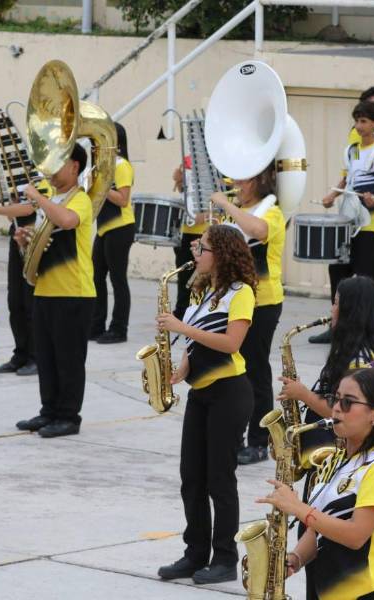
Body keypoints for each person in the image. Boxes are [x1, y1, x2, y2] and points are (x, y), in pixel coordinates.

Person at [278, 275, 374, 600]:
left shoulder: (361, 359)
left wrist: (302, 394)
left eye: (337, 302)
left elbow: (338, 410)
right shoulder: (351, 350)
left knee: (326, 534)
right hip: (333, 460)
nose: (332, 309)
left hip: (337, 459)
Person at [155, 225, 256, 585]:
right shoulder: (203, 292)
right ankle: (195, 552)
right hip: (202, 392)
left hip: (230, 392)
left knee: (220, 479)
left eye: (203, 247)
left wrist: (181, 325)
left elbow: (231, 343)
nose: (196, 253)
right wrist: (181, 369)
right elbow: (195, 345)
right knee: (191, 477)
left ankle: (225, 558)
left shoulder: (240, 293)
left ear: (223, 254)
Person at [258, 368, 374, 600]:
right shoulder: (334, 459)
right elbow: (319, 525)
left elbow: (355, 535)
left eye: (348, 402)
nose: (337, 408)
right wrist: (295, 558)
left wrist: (299, 508)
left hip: (369, 593)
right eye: (336, 399)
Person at [14, 143, 95, 438]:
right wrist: (25, 241)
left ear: (75, 166)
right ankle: (49, 411)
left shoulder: (80, 199)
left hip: (74, 292)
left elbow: (67, 221)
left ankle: (68, 417)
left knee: (69, 359)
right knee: (47, 358)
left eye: (57, 164)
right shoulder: (51, 200)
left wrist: (37, 199)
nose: (49, 171)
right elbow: (40, 246)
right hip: (45, 291)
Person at [212, 163, 285, 465]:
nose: (237, 182)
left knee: (255, 372)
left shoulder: (272, 211)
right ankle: (235, 436)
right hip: (235, 298)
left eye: (244, 178)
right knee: (233, 371)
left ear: (261, 180)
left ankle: (259, 441)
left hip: (263, 301)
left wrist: (227, 203)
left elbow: (258, 231)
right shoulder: (237, 211)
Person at [313, 101, 374, 344]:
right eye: (357, 121)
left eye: (364, 121)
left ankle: (365, 332)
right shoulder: (352, 150)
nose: (359, 126)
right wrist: (332, 196)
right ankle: (336, 327)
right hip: (346, 220)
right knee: (337, 270)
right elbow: (346, 180)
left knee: (364, 278)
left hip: (370, 225)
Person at [0, 191, 47, 377]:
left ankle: (36, 357)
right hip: (17, 239)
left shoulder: (39, 179)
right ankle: (21, 354)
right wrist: (12, 203)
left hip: (34, 240)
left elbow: (29, 208)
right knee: (15, 302)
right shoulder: (22, 184)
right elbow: (13, 215)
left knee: (30, 303)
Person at [92, 123, 135, 344]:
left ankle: (119, 329)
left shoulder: (121, 165)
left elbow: (123, 199)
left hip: (121, 227)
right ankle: (97, 325)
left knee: (118, 279)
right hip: (104, 227)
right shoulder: (105, 165)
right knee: (96, 276)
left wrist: (102, 186)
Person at [171, 160, 208, 320]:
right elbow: (182, 191)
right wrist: (178, 179)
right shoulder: (185, 160)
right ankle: (181, 311)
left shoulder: (211, 162)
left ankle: (197, 311)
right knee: (183, 272)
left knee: (200, 275)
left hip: (203, 231)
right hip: (186, 228)